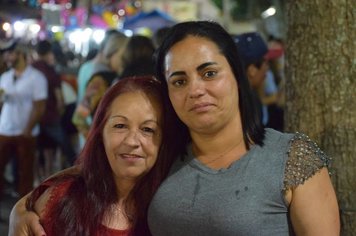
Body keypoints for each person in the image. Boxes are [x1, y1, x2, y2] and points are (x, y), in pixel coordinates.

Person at [9, 21, 340, 236]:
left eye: (209, 73)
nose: (195, 89)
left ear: (236, 76)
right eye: (179, 80)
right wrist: (20, 209)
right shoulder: (165, 154)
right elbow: (92, 170)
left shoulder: (292, 157)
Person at [11, 76, 173, 235]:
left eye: (147, 129)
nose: (132, 141)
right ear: (100, 134)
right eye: (120, 125)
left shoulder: (174, 212)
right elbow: (79, 117)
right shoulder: (61, 201)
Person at [0, 41, 48, 197]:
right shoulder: (5, 76)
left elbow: (40, 106)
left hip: (26, 131)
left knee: (25, 171)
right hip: (5, 128)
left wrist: (28, 129)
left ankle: (23, 207)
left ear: (20, 54)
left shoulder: (36, 77)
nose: (6, 57)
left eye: (10, 53)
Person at [72, 32, 129, 140]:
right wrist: (95, 142)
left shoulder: (117, 76)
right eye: (123, 56)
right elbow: (78, 117)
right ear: (112, 53)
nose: (125, 60)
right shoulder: (99, 81)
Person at [32, 39, 77, 174]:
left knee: (39, 149)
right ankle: (77, 167)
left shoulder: (31, 69)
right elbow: (59, 99)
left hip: (33, 116)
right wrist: (60, 110)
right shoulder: (51, 72)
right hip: (50, 115)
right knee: (64, 144)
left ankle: (38, 178)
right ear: (48, 53)